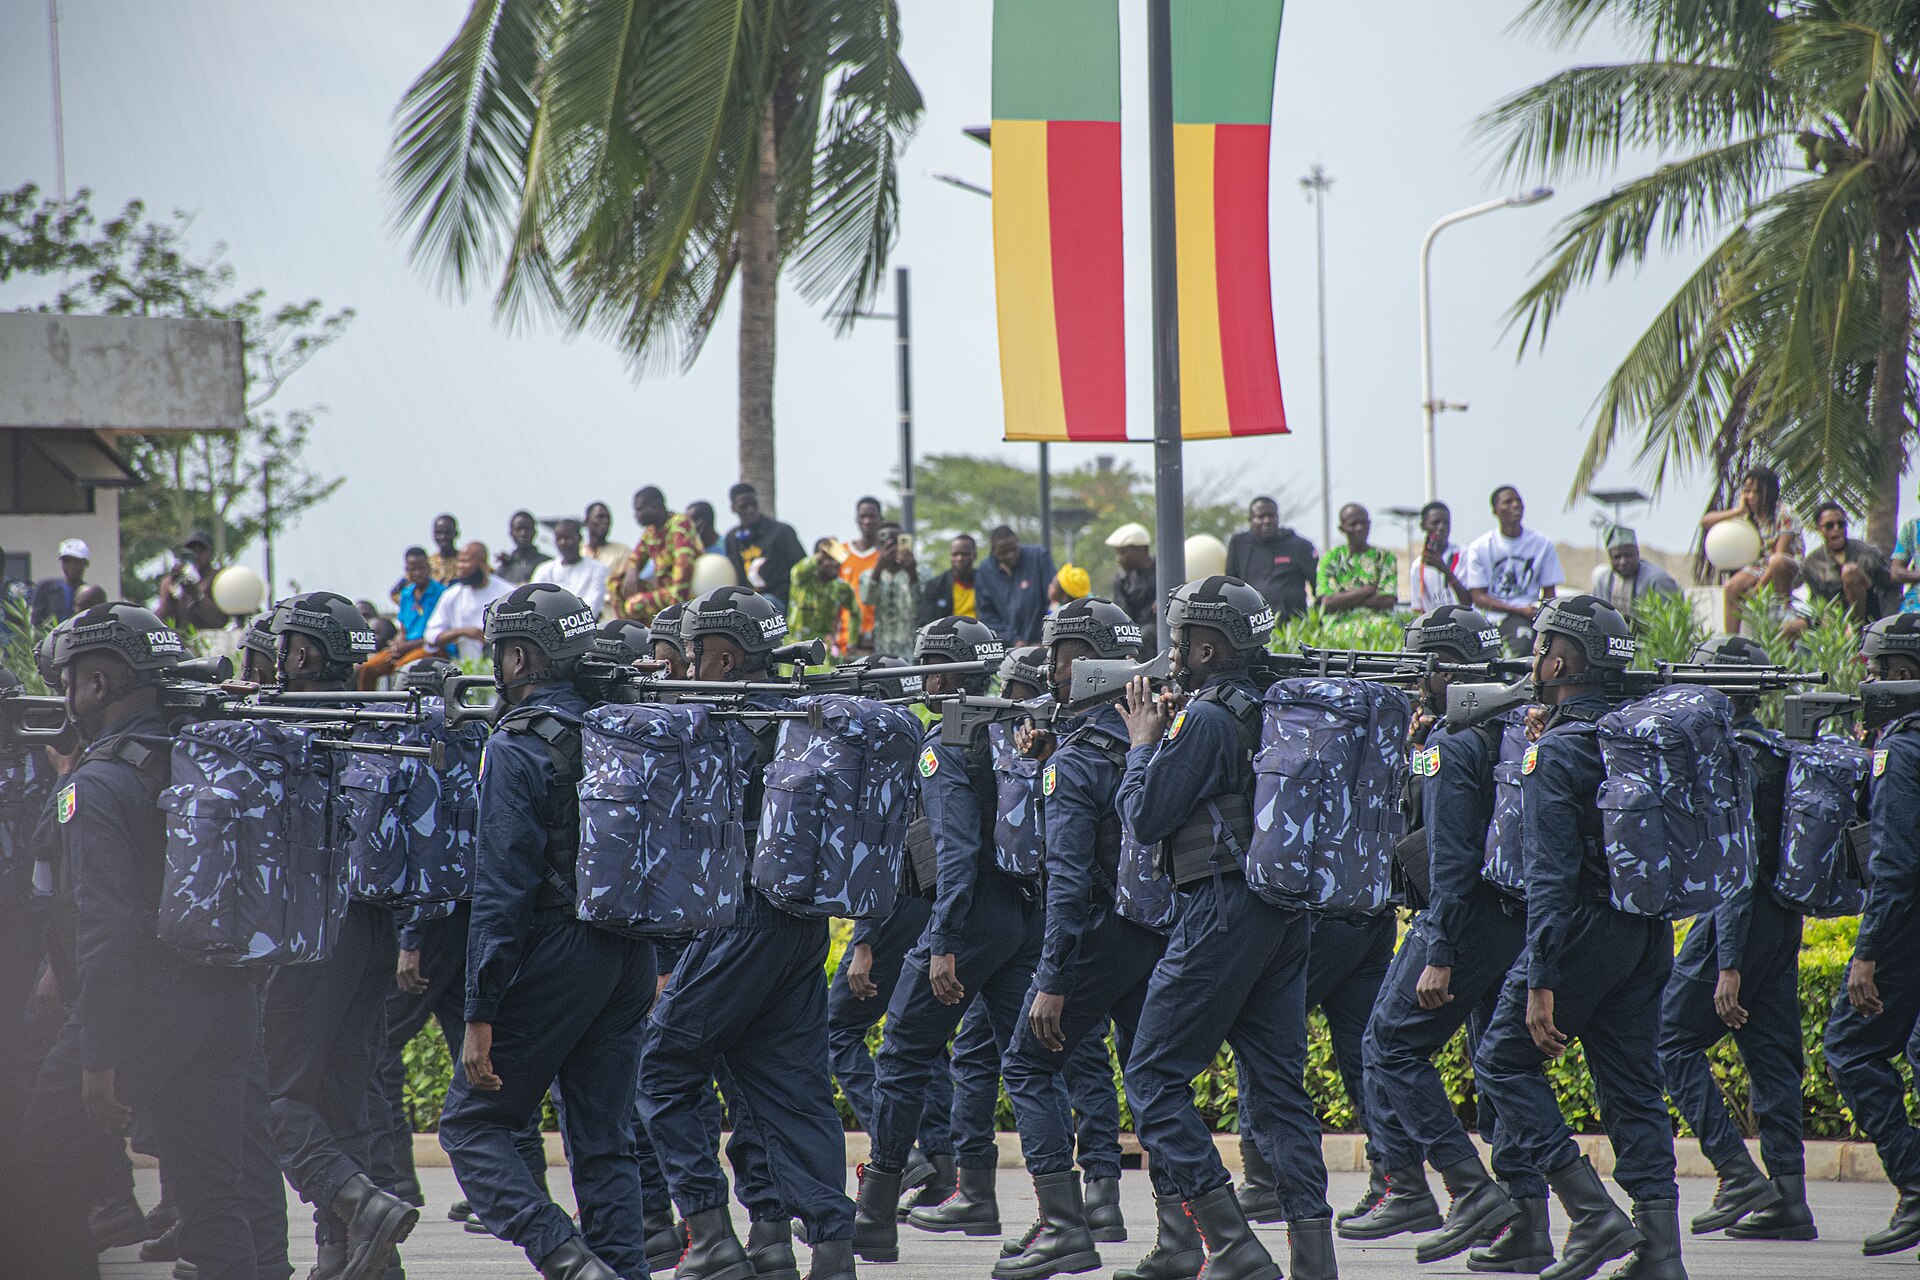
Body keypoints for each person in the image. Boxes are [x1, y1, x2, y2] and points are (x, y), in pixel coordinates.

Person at [1, 603, 272, 1280]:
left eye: (70, 682)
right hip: (223, 996)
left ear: (98, 684)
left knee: (38, 1174)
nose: (65, 697)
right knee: (214, 1194)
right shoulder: (200, 757)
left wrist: (97, 1056)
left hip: (137, 1008)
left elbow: (106, 927)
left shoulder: (96, 782)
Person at [1111, 576, 1335, 1280]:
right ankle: (1314, 1259)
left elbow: (1144, 815)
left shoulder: (1205, 719)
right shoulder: (1271, 704)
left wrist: (1143, 743)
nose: (1172, 651)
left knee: (1152, 1077)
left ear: (1208, 647)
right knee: (1279, 1089)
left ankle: (1232, 1244)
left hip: (1220, 907)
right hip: (1279, 911)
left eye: (1180, 639)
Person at [639, 586, 857, 1280]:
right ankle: (824, 1249)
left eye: (694, 652)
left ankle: (709, 1237)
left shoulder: (719, 725)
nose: (684, 666)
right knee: (791, 1091)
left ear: (728, 657)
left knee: (661, 1066)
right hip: (800, 921)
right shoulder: (795, 713)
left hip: (742, 918)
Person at [436, 584, 654, 1280]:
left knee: (471, 1125)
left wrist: (480, 1011)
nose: (497, 665)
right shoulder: (619, 724)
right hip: (629, 949)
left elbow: (502, 889)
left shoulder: (517, 742)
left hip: (559, 947)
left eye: (501, 651)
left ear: (523, 657)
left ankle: (567, 1259)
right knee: (604, 1141)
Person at [1472, 595, 1686, 1280]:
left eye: (1540, 648)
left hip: (1583, 930)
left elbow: (1551, 876)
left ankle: (1590, 1214)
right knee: (1634, 1089)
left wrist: (1540, 979)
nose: (1533, 660)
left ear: (1560, 663)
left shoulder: (1557, 752)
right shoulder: (1632, 738)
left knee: (1503, 1062)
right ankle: (1661, 1254)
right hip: (1645, 929)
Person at [1346, 606, 1548, 1268]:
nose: (1414, 682)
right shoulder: (1505, 730)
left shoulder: (1454, 745)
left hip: (1462, 920)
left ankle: (1463, 1190)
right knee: (1495, 1073)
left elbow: (1452, 860)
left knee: (1389, 1045)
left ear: (1450, 672)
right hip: (1511, 918)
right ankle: (1528, 1227)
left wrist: (1439, 951)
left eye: (1422, 669)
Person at [852, 614, 1040, 1263]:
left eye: (931, 668)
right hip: (1018, 912)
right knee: (1023, 1065)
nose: (924, 680)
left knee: (902, 1055)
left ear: (951, 675)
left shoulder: (946, 741)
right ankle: (1058, 1213)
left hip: (970, 916)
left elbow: (955, 854)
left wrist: (943, 942)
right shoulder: (1007, 723)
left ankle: (874, 1216)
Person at [994, 603, 1163, 1280]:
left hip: (1092, 937)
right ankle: (1182, 1234)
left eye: (1058, 655)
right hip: (1150, 932)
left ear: (1086, 662)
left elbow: (1066, 882)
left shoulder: (1077, 759)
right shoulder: (1149, 734)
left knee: (1027, 1065)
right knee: (1151, 1081)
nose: (1048, 669)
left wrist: (1053, 980)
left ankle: (1064, 1227)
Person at [262, 592, 419, 1280]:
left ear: (303, 654)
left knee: (270, 1092)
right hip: (373, 925)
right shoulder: (379, 721)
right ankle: (349, 1254)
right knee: (344, 1097)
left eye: (282, 649)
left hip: (309, 926)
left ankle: (360, 1205)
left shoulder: (273, 726)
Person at [1658, 634, 1811, 1241]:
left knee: (1668, 1041)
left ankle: (1736, 1173)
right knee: (1773, 1061)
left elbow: (1735, 865)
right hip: (1780, 920)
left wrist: (1728, 963)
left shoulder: (1730, 756)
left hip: (1736, 920)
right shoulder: (1772, 749)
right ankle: (1789, 1200)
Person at [1824, 612, 1920, 1258]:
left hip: (1906, 930)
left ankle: (1914, 1181)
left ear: (1903, 673)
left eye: (1876, 669)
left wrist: (1867, 954)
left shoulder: (1900, 751)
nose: (1868, 680)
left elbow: (1894, 866)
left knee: (1849, 1047)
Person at [1463, 487, 1562, 651]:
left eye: (1519, 501)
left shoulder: (1542, 544)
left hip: (1528, 620)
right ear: (1495, 511)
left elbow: (1550, 594)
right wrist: (1519, 610)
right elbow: (1478, 597)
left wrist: (1545, 621)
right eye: (1508, 502)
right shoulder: (1480, 547)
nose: (1516, 505)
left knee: (1523, 646)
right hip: (1491, 620)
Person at [1704, 467, 1801, 631]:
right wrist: (1738, 511)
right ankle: (1731, 639)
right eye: (1747, 492)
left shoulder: (1785, 513)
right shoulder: (1748, 515)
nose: (1750, 497)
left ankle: (1785, 609)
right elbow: (1706, 522)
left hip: (1787, 567)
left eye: (1756, 492)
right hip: (1760, 566)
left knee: (1777, 561)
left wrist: (1756, 591)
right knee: (1731, 588)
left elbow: (1780, 554)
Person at [358, 548, 446, 689]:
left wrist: (406, 647)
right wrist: (396, 646)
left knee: (401, 669)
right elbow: (404, 629)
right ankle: (366, 702)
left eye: (421, 568)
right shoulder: (406, 594)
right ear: (406, 570)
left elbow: (437, 635)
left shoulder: (442, 593)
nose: (417, 573)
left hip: (430, 647)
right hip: (407, 647)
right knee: (368, 667)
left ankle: (399, 703)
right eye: (412, 569)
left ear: (429, 567)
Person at [611, 488, 699, 625]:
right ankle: (626, 630)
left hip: (683, 593)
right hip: (663, 591)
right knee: (615, 582)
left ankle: (650, 629)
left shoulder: (680, 524)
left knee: (634, 605)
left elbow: (684, 566)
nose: (635, 515)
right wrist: (632, 571)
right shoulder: (650, 532)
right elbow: (635, 557)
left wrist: (676, 606)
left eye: (639, 509)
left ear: (654, 506)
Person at [1799, 502, 1896, 627]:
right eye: (1829, 525)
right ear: (1819, 529)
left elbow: (1890, 590)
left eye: (1841, 524)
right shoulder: (1812, 563)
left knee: (1850, 572)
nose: (1836, 529)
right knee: (1791, 627)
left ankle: (1858, 630)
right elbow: (1818, 603)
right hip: (1834, 623)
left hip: (1870, 620)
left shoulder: (1869, 554)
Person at [1224, 497, 1317, 623]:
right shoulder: (1239, 543)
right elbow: (1231, 586)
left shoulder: (1300, 546)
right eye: (1261, 517)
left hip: (1292, 625)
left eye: (1271, 516)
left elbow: (1318, 587)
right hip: (1252, 623)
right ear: (1250, 519)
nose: (1267, 521)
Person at [424, 542, 515, 661]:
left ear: (482, 563)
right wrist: (462, 632)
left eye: (465, 561)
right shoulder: (453, 595)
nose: (459, 566)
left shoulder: (508, 593)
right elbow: (431, 637)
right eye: (459, 561)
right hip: (466, 668)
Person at [724, 483, 806, 612]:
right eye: (744, 506)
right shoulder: (732, 538)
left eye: (754, 504)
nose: (750, 510)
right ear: (734, 508)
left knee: (766, 603)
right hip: (749, 602)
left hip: (779, 601)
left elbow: (801, 567)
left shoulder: (781, 532)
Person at [976, 526, 1056, 646]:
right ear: (993, 550)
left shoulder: (1038, 556)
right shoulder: (985, 570)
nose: (1010, 555)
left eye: (1014, 549)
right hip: (1008, 646)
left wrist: (1044, 637)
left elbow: (1053, 598)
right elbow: (986, 613)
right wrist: (1013, 639)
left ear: (1018, 542)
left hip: (1041, 641)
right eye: (1003, 553)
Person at [1314, 504, 1399, 615]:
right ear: (1342, 529)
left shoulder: (1385, 557)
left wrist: (1344, 598)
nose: (1359, 528)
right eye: (1353, 524)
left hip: (1380, 623)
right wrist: (1366, 591)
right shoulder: (1330, 559)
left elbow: (1388, 600)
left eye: (1363, 523)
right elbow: (1328, 601)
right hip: (1340, 624)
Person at [1589, 526, 1681, 620]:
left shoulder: (1658, 580)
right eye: (1617, 557)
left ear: (1637, 553)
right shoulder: (1602, 582)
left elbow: (1671, 618)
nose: (1623, 561)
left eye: (1628, 555)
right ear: (1610, 557)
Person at [858, 524, 920, 660]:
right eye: (884, 544)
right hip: (882, 649)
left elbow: (919, 606)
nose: (891, 549)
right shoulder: (867, 575)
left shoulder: (921, 572)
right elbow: (867, 600)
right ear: (877, 547)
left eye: (895, 543)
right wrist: (878, 568)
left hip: (912, 651)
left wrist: (912, 572)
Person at [788, 538, 858, 653]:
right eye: (829, 559)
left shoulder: (841, 588)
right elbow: (797, 571)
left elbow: (855, 613)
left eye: (837, 559)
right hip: (794, 646)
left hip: (823, 648)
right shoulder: (802, 580)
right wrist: (820, 555)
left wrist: (851, 643)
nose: (835, 564)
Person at [532, 518, 611, 617]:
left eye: (568, 538)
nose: (563, 542)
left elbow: (593, 608)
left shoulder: (598, 569)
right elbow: (535, 603)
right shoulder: (544, 570)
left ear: (580, 538)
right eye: (559, 538)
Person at [156, 530, 230, 632]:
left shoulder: (219, 578)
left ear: (211, 554)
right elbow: (161, 621)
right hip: (181, 637)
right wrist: (172, 592)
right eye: (191, 551)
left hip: (210, 637)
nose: (196, 556)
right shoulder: (170, 581)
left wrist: (198, 596)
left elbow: (219, 622)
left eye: (201, 551)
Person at [840, 497, 886, 652]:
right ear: (857, 519)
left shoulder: (885, 554)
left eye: (872, 516)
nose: (867, 521)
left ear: (880, 519)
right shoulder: (841, 551)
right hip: (845, 636)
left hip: (876, 636)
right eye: (863, 516)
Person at [1408, 502, 1470, 614]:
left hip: (1462, 620)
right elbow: (1417, 609)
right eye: (1435, 523)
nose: (1441, 527)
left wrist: (1444, 569)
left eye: (1446, 522)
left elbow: (1468, 601)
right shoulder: (1418, 566)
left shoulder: (1463, 555)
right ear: (1423, 526)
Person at [1105, 523, 1157, 639]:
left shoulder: (1163, 570)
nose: (1118, 559)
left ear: (1141, 550)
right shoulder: (1122, 579)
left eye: (1123, 553)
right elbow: (1122, 614)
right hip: (1136, 631)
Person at [583, 503, 633, 618]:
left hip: (612, 616)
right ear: (586, 522)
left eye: (608, 518)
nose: (605, 521)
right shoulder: (578, 553)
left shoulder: (622, 551)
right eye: (600, 517)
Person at [920, 536, 980, 627]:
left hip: (980, 632)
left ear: (974, 556)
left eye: (965, 554)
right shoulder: (936, 585)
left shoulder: (985, 582)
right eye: (955, 554)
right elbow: (927, 621)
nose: (959, 558)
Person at [29, 538, 90, 625]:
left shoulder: (90, 593)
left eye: (75, 562)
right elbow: (37, 621)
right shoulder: (46, 587)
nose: (70, 566)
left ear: (86, 563)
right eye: (66, 561)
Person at [495, 511, 552, 585]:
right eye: (518, 529)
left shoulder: (547, 563)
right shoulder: (503, 569)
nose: (523, 533)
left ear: (534, 532)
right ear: (511, 533)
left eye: (527, 529)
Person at [428, 515, 463, 584]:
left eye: (448, 533)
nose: (443, 537)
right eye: (439, 533)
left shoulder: (465, 562)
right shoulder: (428, 564)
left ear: (456, 534)